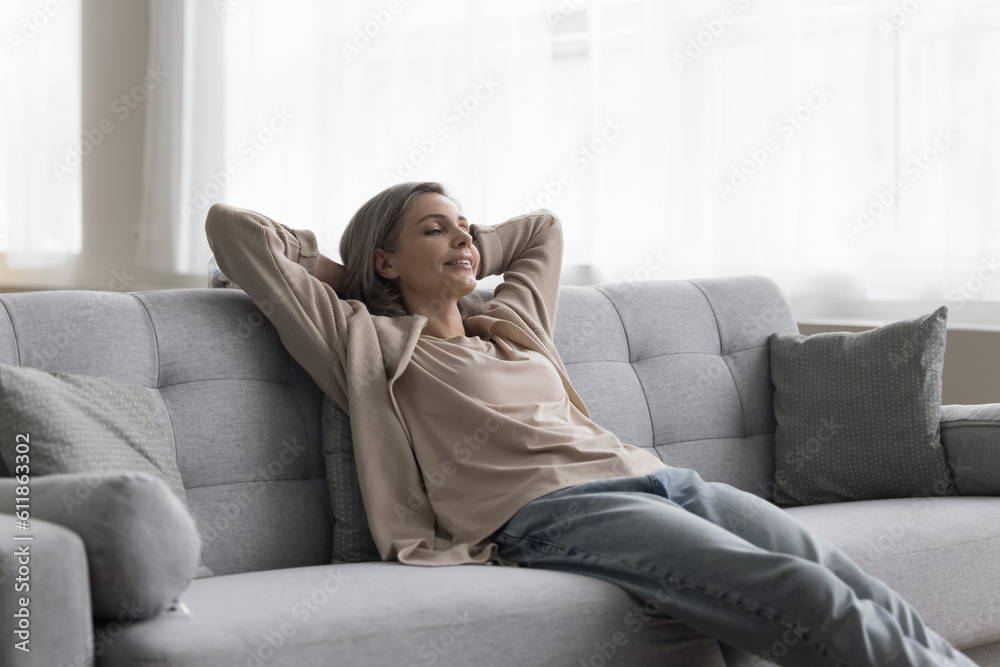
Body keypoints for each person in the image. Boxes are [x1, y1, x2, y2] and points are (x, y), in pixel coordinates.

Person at [204, 181, 977, 667]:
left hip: (665, 482)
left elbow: (540, 228)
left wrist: (464, 250)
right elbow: (234, 229)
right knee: (798, 591)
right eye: (436, 228)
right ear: (385, 260)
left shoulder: (508, 322)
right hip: (556, 512)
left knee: (854, 581)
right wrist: (349, 272)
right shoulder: (364, 341)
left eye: (466, 225)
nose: (465, 237)